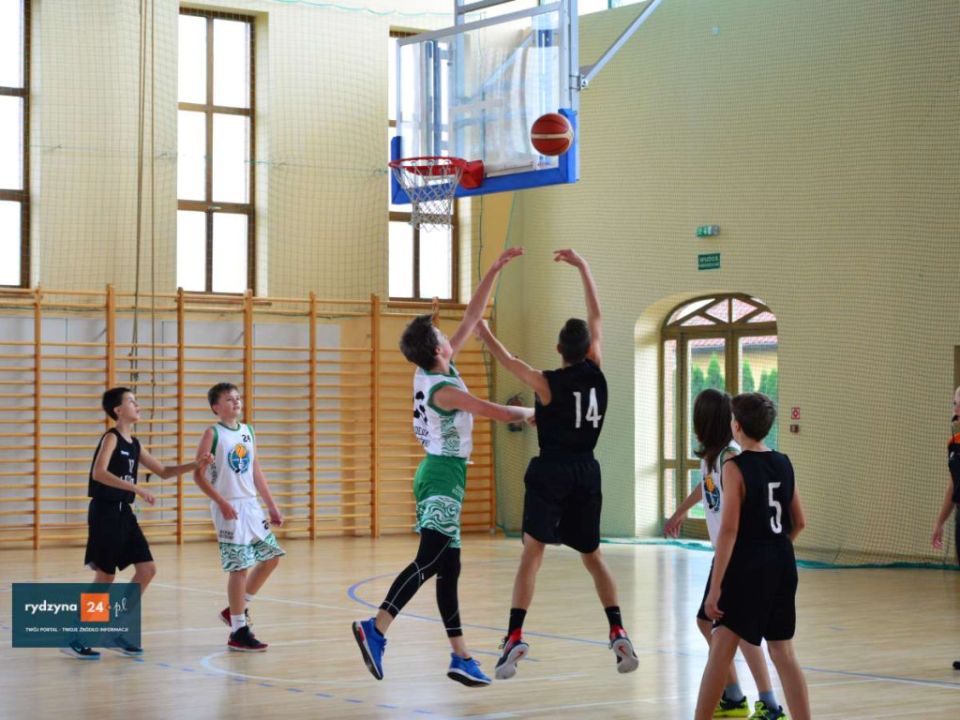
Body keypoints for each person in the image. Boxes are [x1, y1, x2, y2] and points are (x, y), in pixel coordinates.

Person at [351, 247, 533, 687]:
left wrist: (493, 270)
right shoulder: (443, 389)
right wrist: (537, 413)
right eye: (441, 333)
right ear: (438, 347)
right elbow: (494, 411)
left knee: (449, 569)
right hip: (441, 475)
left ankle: (460, 657)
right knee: (429, 560)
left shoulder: (434, 369)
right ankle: (376, 628)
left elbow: (471, 317)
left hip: (441, 472)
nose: (451, 335)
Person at [475, 248, 639, 681]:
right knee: (593, 557)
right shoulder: (598, 370)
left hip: (552, 473)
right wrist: (584, 266)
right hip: (587, 472)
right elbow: (597, 316)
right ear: (588, 349)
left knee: (532, 554)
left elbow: (509, 362)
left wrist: (482, 330)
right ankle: (618, 629)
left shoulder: (547, 383)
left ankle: (514, 636)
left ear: (558, 349)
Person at [65, 387, 211, 660]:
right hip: (105, 511)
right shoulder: (111, 437)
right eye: (132, 401)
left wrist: (196, 464)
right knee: (106, 576)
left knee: (147, 570)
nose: (138, 405)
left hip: (125, 514)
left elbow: (164, 471)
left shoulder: (135, 444)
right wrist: (136, 487)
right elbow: (99, 472)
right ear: (118, 410)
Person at [665, 388, 781, 718]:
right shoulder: (712, 458)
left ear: (704, 420)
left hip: (738, 556)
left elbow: (741, 503)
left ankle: (768, 703)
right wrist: (681, 511)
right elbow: (706, 487)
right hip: (726, 556)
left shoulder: (731, 458)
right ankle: (733, 695)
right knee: (707, 623)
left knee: (736, 631)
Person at [694, 393, 810, 720]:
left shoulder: (735, 467)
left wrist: (716, 587)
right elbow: (800, 521)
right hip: (782, 560)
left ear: (737, 426)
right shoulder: (784, 462)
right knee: (783, 652)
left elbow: (729, 530)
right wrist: (775, 549)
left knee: (720, 651)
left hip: (747, 564)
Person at [193, 382, 285, 652]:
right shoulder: (212, 433)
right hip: (228, 506)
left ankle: (235, 608)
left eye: (237, 398)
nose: (235, 402)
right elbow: (198, 475)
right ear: (216, 407)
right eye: (228, 399)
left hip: (251, 506)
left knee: (271, 558)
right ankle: (238, 630)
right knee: (239, 567)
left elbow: (255, 470)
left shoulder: (248, 431)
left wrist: (271, 505)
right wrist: (220, 502)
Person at [930, 386, 960, 670]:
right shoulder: (953, 444)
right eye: (954, 403)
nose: (955, 408)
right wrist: (940, 522)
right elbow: (953, 487)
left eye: (959, 403)